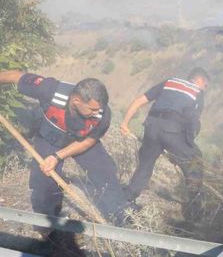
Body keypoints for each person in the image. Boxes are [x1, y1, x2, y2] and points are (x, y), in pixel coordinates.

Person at [0, 70, 129, 225]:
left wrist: (57, 156)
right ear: (76, 101)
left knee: (106, 172)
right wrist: (52, 158)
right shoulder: (50, 89)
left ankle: (122, 218)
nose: (97, 112)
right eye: (92, 109)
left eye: (99, 109)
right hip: (50, 136)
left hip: (80, 141)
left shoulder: (103, 114)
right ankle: (47, 222)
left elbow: (88, 142)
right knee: (44, 181)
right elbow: (17, 76)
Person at [120, 67, 209, 220]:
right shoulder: (197, 93)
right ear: (201, 81)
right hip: (172, 130)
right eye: (206, 86)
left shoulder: (170, 82)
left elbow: (139, 101)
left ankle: (127, 199)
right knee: (195, 160)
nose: (205, 88)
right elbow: (193, 123)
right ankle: (194, 210)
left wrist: (125, 124)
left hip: (151, 127)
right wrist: (185, 146)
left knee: (145, 164)